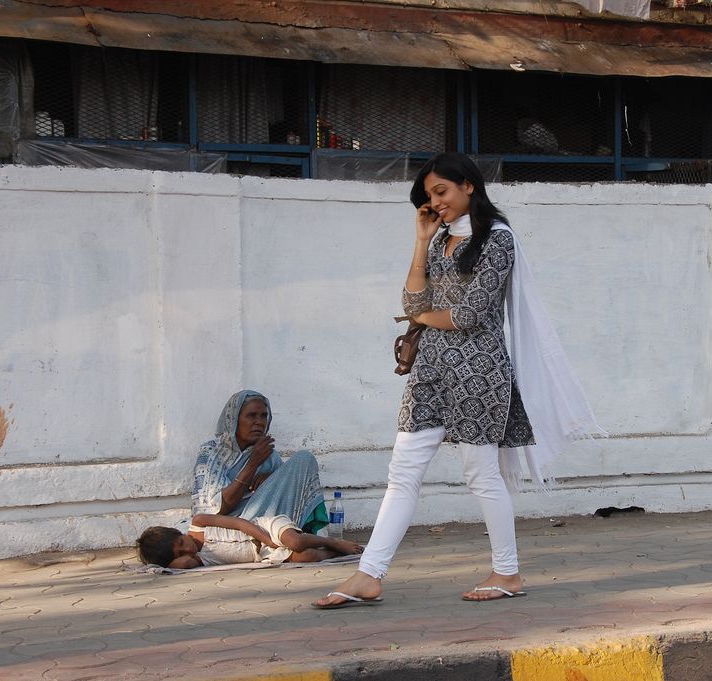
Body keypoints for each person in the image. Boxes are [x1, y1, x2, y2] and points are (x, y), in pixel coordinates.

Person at [313, 153, 601, 609]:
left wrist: (419, 315)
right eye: (428, 195)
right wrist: (420, 241)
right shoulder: (439, 236)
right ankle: (369, 574)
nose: (435, 202)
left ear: (468, 185)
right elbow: (412, 296)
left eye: (441, 192)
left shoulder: (498, 240)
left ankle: (506, 571)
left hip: (479, 371)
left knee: (480, 473)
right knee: (402, 471)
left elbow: (470, 315)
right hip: (429, 369)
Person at [192, 390, 329, 535]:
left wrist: (271, 479)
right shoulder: (211, 452)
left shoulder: (267, 454)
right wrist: (252, 464)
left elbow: (287, 494)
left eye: (264, 416)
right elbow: (216, 510)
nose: (259, 422)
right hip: (232, 525)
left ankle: (289, 534)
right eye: (251, 416)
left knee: (304, 459)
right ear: (234, 420)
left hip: (265, 520)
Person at [136, 513, 363, 569]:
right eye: (180, 554)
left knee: (295, 542)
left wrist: (268, 539)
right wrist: (168, 561)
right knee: (307, 558)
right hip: (263, 554)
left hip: (265, 528)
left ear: (180, 532)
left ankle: (333, 542)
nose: (187, 549)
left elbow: (240, 524)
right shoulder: (196, 560)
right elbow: (179, 566)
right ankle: (334, 553)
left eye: (181, 543)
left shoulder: (199, 522)